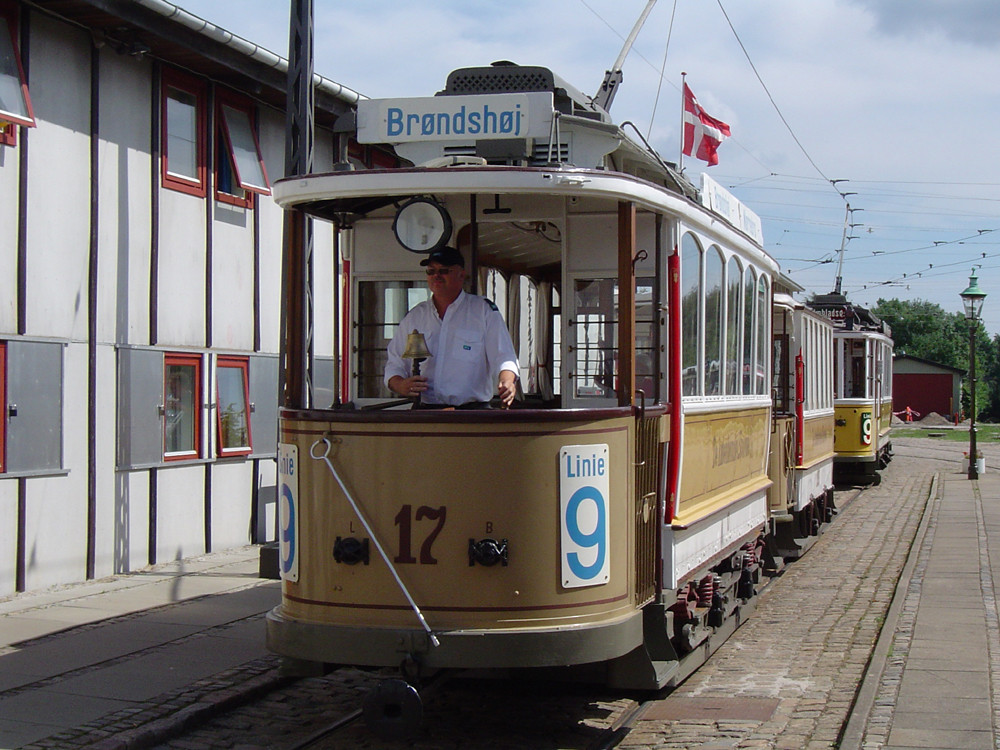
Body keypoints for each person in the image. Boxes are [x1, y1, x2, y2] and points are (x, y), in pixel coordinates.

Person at [384, 246, 519, 408]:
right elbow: (394, 364)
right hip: (426, 412)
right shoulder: (415, 317)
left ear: (461, 275)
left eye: (444, 271)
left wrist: (507, 382)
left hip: (472, 414)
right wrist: (401, 385)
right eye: (431, 271)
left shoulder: (483, 311)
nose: (436, 276)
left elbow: (504, 356)